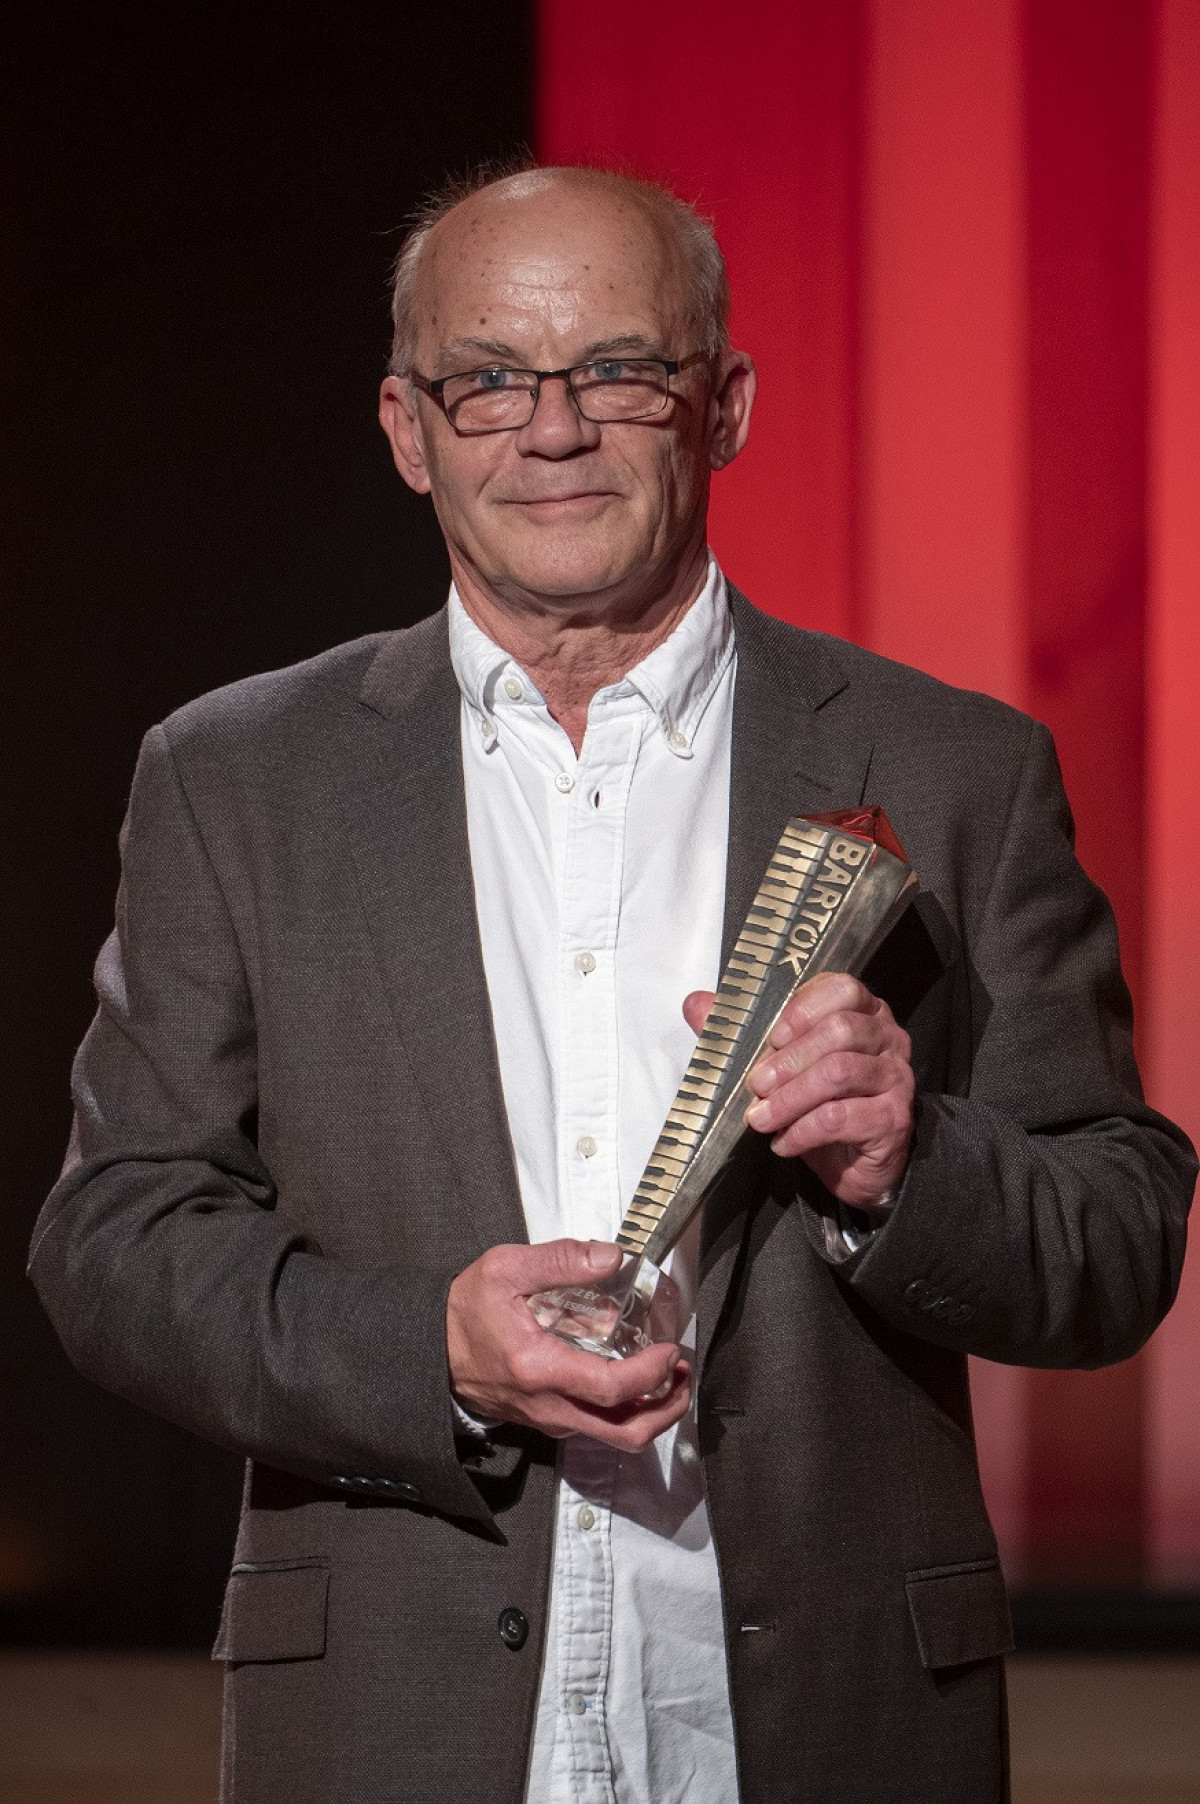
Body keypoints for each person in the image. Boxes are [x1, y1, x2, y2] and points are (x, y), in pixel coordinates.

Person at [29, 164, 1194, 1804]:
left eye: (620, 370)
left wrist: (906, 1160)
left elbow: (1119, 1234)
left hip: (830, 1723)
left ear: (726, 408)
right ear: (408, 428)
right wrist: (429, 1347)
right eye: (488, 378)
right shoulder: (237, 780)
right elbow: (116, 1240)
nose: (554, 429)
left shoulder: (954, 769)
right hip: (392, 1719)